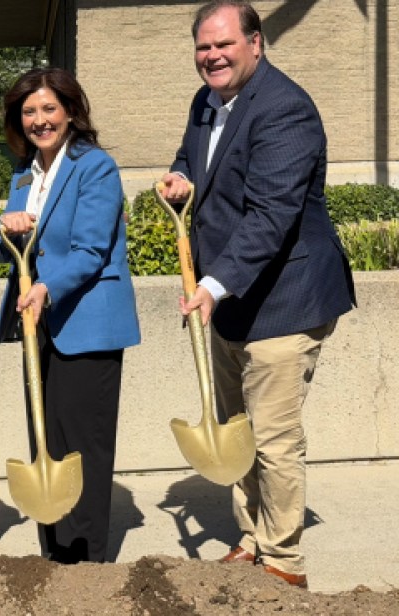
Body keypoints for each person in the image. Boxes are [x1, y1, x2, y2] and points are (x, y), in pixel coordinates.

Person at [158, 0, 356, 589]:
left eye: (223, 44)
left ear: (256, 43)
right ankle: (252, 538)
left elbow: (271, 215)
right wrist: (181, 177)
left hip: (284, 296)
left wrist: (213, 286)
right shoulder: (207, 102)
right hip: (231, 297)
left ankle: (285, 562)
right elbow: (194, 160)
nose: (212, 56)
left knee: (272, 440)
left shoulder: (285, 109)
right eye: (203, 47)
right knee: (236, 427)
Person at [0, 67, 140, 564]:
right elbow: (2, 245)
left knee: (84, 449)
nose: (39, 120)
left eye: (49, 109)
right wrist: (5, 225)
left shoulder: (95, 167)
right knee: (46, 443)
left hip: (86, 326)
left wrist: (47, 289)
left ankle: (87, 565)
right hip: (41, 329)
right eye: (29, 112)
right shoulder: (25, 175)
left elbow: (92, 249)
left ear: (71, 111)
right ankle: (55, 557)